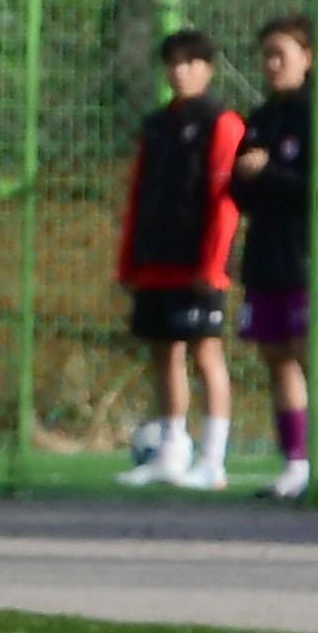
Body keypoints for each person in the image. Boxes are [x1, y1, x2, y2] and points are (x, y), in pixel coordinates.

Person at [116, 27, 244, 488]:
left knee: (206, 352)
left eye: (190, 62)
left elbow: (223, 200)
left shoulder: (222, 122)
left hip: (198, 264)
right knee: (163, 353)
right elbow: (138, 195)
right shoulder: (157, 125)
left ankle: (213, 459)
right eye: (173, 63)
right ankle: (171, 450)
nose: (181, 71)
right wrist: (129, 261)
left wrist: (212, 265)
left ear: (208, 69)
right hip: (157, 259)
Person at [232, 14, 317, 499]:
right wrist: (244, 176)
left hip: (305, 255)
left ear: (308, 58)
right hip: (265, 254)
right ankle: (296, 462)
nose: (272, 63)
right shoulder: (261, 117)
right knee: (276, 356)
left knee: (309, 356)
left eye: (281, 53)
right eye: (266, 54)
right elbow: (242, 189)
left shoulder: (314, 116)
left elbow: (314, 189)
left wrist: (270, 172)